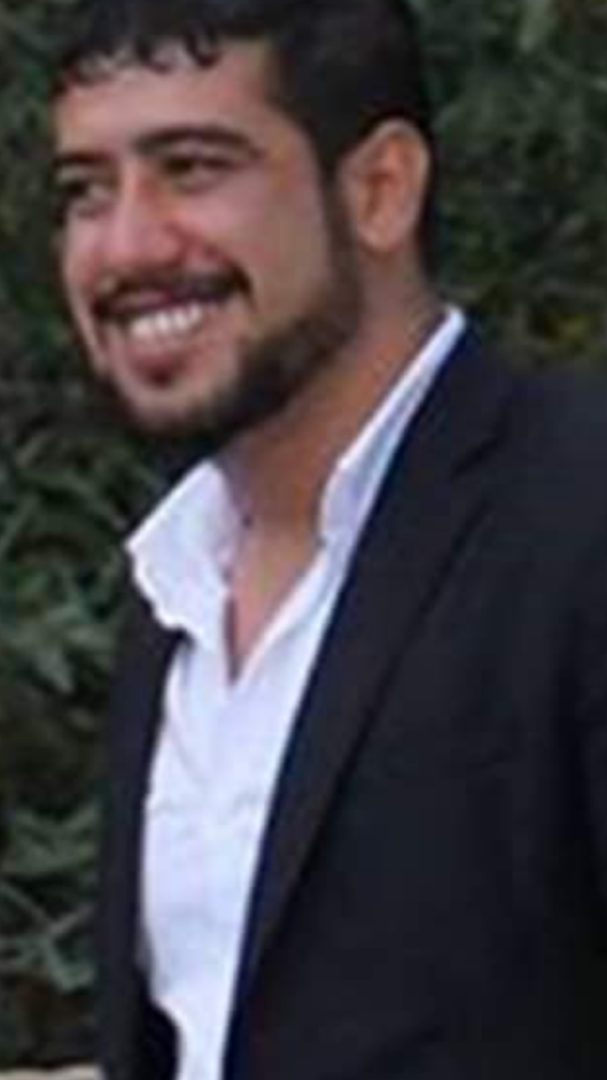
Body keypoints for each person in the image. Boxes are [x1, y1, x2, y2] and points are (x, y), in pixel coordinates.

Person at [49, 0, 607, 1077]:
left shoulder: (576, 517)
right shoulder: (175, 587)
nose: (125, 245)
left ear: (379, 188)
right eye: (85, 191)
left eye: (192, 169)